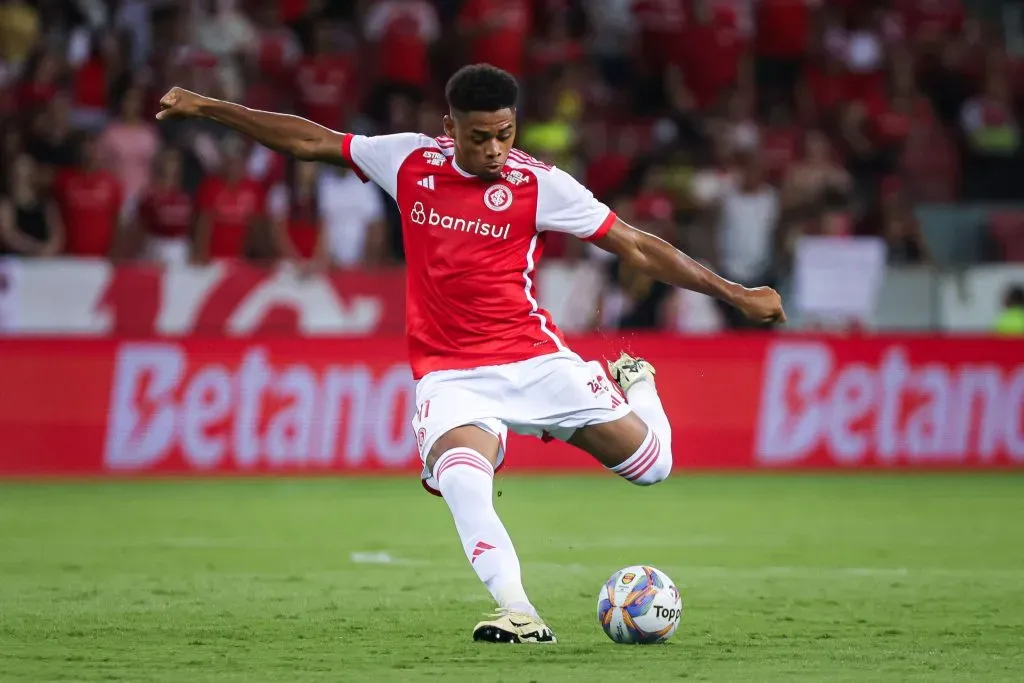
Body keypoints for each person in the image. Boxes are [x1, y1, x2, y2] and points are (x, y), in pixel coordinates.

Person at [155, 64, 785, 644]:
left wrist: (733, 292)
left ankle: (635, 381)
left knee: (653, 468)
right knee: (461, 476)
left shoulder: (539, 184)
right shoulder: (404, 160)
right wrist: (207, 107)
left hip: (535, 359)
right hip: (451, 374)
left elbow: (636, 246)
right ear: (448, 126)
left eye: (505, 135)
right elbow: (308, 140)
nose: (493, 150)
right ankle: (520, 611)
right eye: (480, 137)